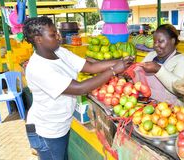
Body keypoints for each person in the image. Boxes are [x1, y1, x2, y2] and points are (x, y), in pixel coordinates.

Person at [22, 16, 133, 160]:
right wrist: (113, 71)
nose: (58, 36)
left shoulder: (58, 51)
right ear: (38, 39)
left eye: (57, 32)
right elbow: (80, 88)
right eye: (53, 34)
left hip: (60, 125)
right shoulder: (38, 68)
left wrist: (120, 62)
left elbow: (90, 66)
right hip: (47, 131)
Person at [139, 24, 184, 105]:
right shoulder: (151, 55)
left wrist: (158, 70)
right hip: (147, 105)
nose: (156, 45)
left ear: (173, 41)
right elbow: (139, 76)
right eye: (154, 42)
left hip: (170, 110)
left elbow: (181, 90)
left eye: (160, 41)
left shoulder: (182, 61)